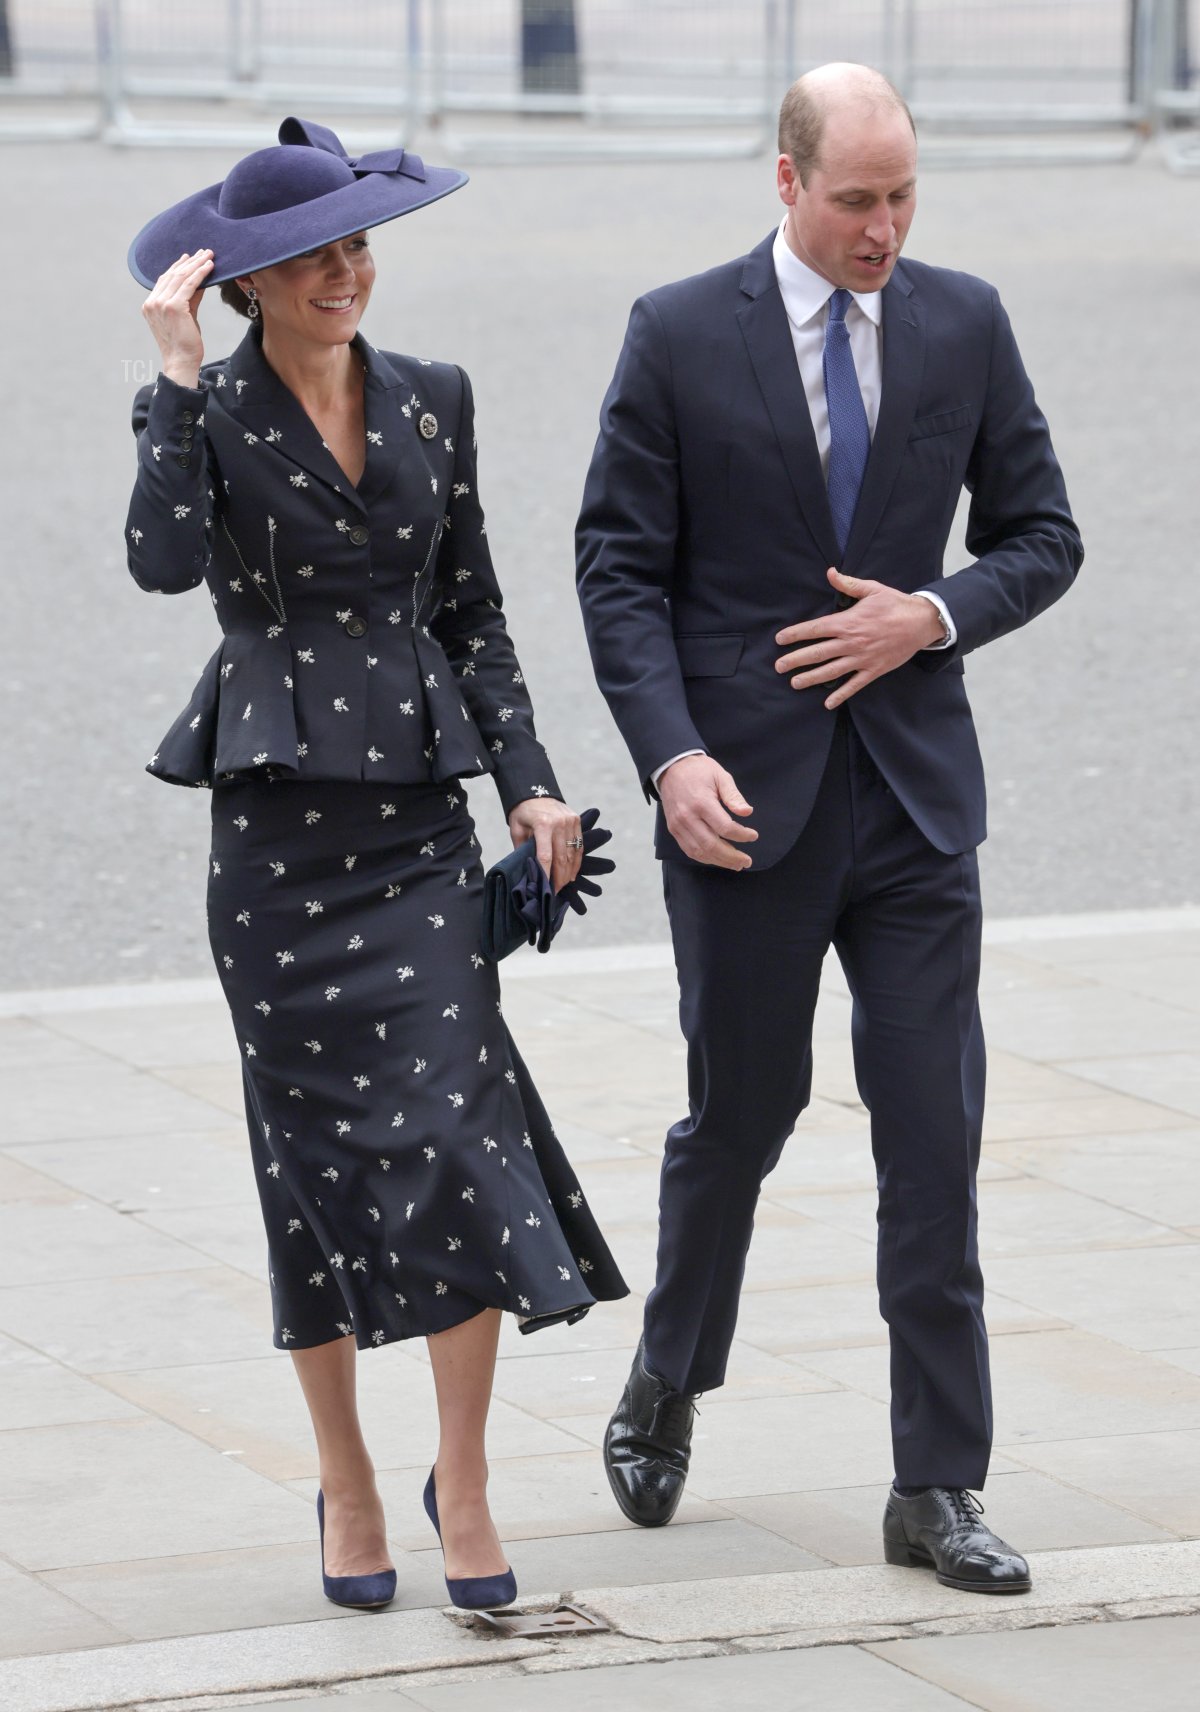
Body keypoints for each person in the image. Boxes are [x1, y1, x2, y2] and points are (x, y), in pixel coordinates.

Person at [576, 63, 1082, 1594]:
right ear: (785, 181)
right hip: (745, 808)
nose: (885, 227)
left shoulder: (963, 321)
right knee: (743, 1117)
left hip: (919, 804)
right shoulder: (677, 333)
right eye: (858, 198)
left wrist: (931, 615)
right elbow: (617, 571)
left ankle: (937, 1485)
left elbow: (1043, 535)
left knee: (936, 1142)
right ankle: (669, 1374)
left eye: (904, 195)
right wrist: (669, 760)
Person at [124, 116, 627, 1614]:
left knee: (460, 1134)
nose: (347, 269)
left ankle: (460, 1477)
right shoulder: (205, 409)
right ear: (251, 284)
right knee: (314, 1174)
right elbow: (159, 564)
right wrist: (165, 383)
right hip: (277, 844)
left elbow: (474, 609)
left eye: (357, 244)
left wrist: (531, 788)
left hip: (418, 821)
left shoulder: (434, 400)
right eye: (312, 255)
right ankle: (347, 1475)